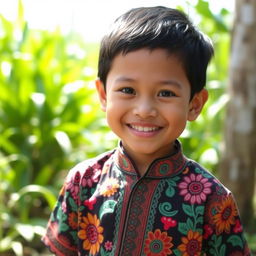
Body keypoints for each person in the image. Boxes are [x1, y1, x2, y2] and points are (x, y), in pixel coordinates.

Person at [42, 6, 251, 256]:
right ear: (103, 95)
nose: (144, 110)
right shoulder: (83, 181)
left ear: (194, 105)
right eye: (128, 90)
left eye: (166, 93)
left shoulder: (212, 198)